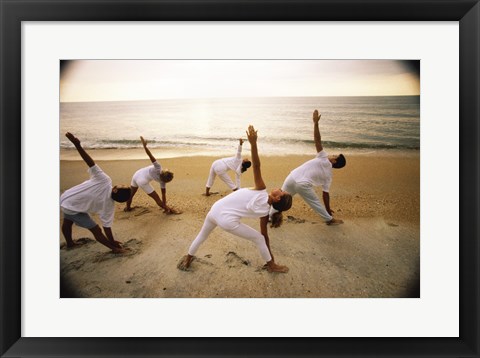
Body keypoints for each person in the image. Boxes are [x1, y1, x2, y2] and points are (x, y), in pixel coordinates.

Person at [178, 125, 293, 273]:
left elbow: (257, 166)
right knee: (259, 238)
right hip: (224, 218)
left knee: (202, 235)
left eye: (281, 192)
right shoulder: (265, 213)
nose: (280, 188)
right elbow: (264, 237)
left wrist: (253, 144)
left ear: (277, 198)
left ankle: (188, 258)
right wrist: (271, 255)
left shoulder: (262, 190)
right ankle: (271, 265)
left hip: (215, 209)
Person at [269, 109, 345, 227]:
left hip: (292, 177)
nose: (332, 155)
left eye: (334, 155)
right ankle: (329, 219)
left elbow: (317, 141)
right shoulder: (328, 174)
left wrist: (315, 123)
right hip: (298, 181)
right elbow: (325, 194)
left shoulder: (323, 157)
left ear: (334, 161)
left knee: (281, 199)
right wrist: (328, 208)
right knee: (313, 202)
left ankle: (270, 217)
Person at [60, 132, 131, 253]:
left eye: (122, 185)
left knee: (68, 221)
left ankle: (70, 243)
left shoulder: (105, 180)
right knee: (96, 230)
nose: (122, 183)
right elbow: (106, 227)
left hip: (66, 198)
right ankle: (114, 249)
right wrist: (112, 240)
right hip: (71, 205)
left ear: (115, 189)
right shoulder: (109, 206)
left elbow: (90, 162)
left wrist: (77, 145)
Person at [124, 136, 179, 214]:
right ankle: (170, 210)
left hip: (136, 174)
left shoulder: (158, 167)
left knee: (131, 194)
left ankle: (128, 208)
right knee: (157, 199)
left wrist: (145, 147)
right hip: (142, 181)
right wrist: (165, 206)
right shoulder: (163, 181)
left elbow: (150, 156)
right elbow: (163, 195)